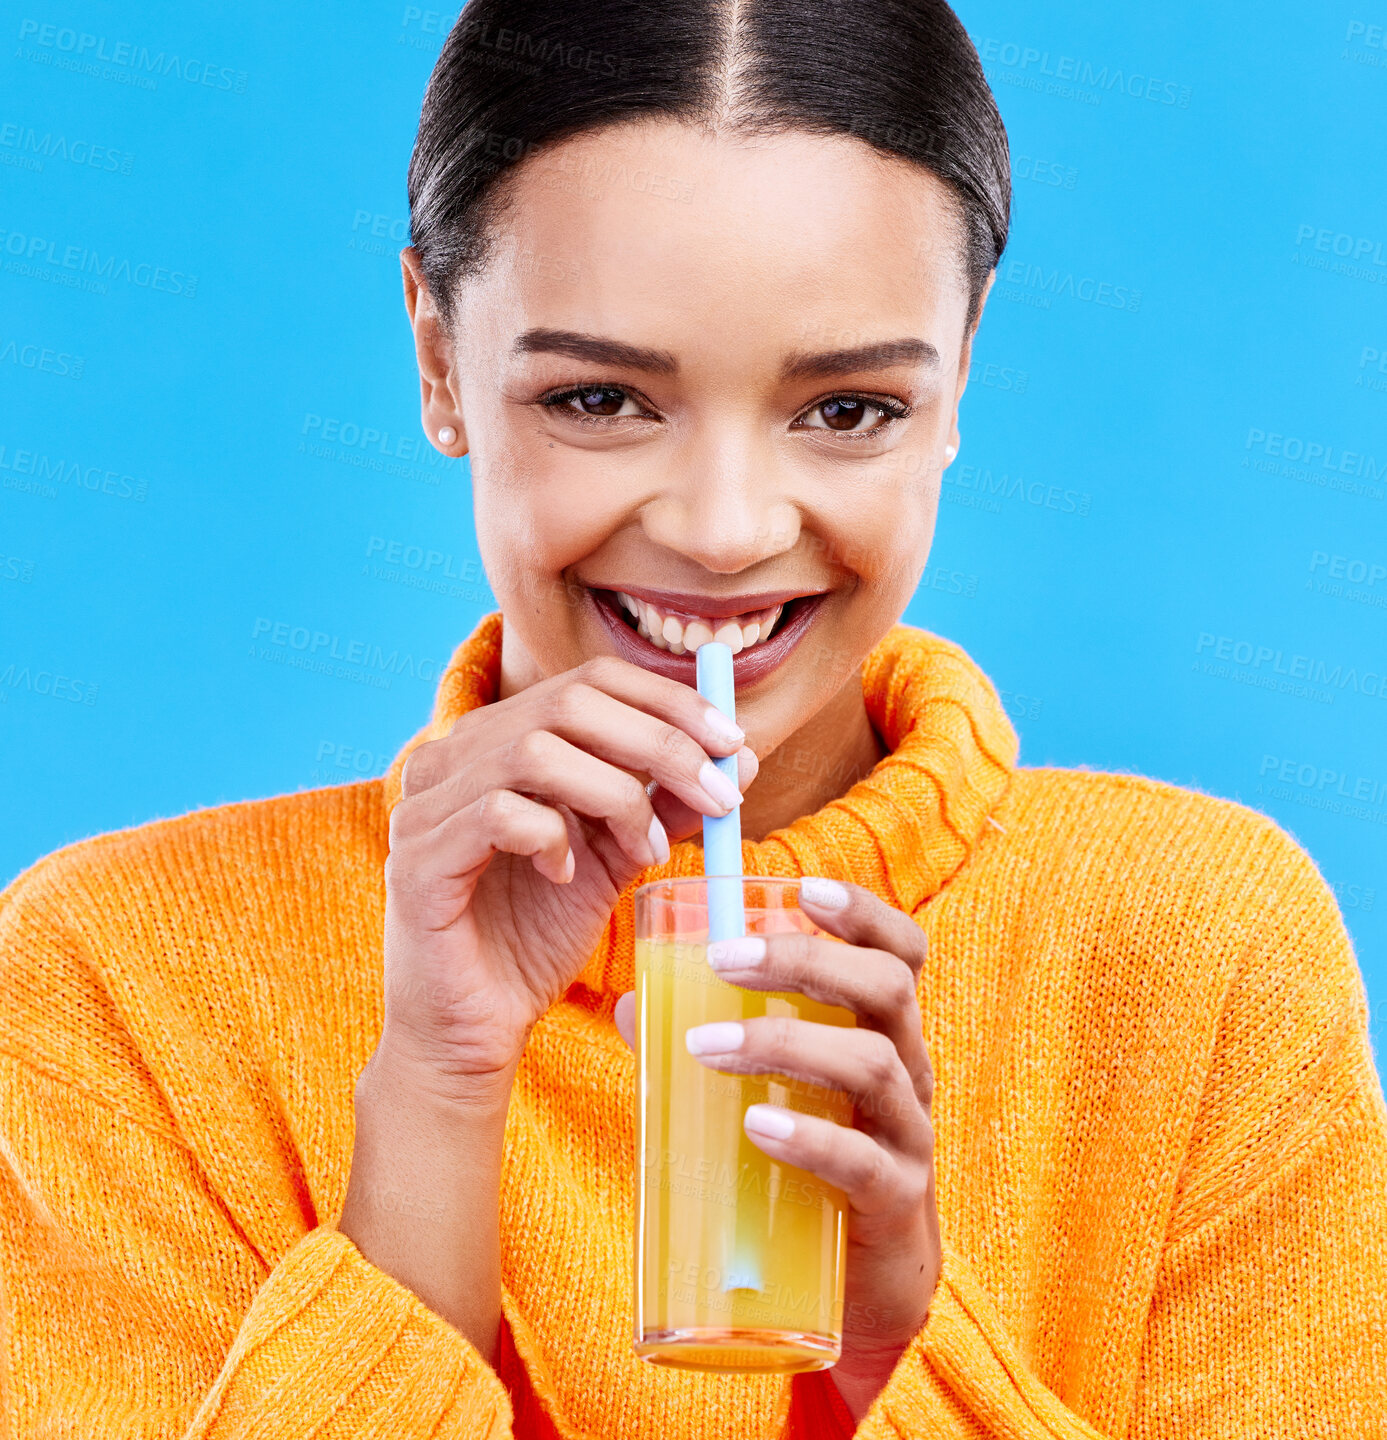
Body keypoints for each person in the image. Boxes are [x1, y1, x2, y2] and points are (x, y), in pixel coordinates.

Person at [3, 0, 1385, 1435]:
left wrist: (903, 1353)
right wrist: (434, 1090)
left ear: (960, 370)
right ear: (435, 355)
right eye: (600, 397)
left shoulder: (1204, 954)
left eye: (848, 410)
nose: (725, 532)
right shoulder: (118, 980)